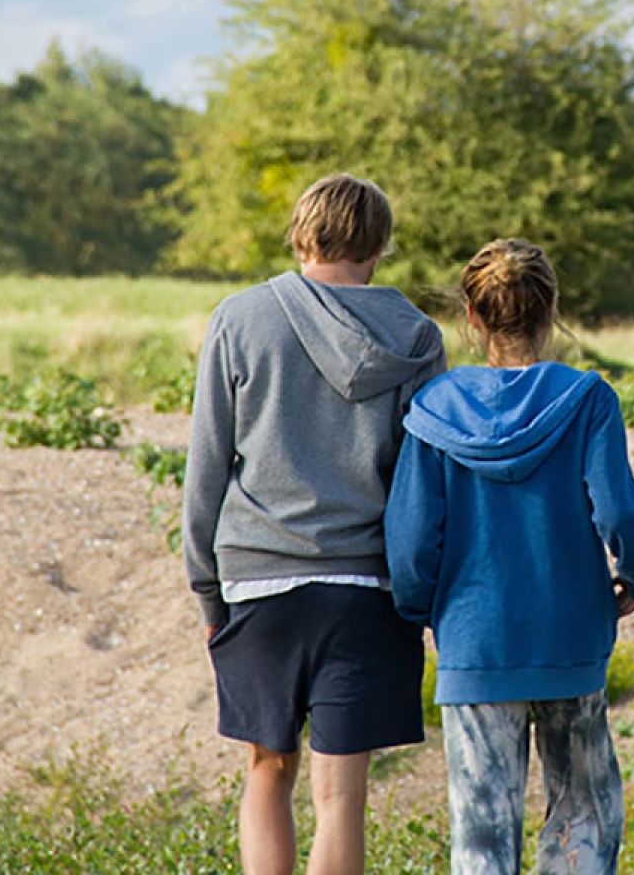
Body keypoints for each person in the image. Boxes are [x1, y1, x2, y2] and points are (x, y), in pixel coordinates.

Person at [183, 173, 446, 875]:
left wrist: (207, 593)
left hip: (258, 582)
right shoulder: (418, 337)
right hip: (366, 589)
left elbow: (207, 465)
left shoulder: (239, 319)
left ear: (301, 233)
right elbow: (421, 484)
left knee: (267, 770)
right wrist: (419, 595)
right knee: (343, 796)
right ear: (380, 244)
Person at [385, 238, 634, 875]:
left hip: (474, 640)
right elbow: (619, 512)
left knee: (482, 831)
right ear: (551, 310)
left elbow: (408, 540)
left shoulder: (434, 409)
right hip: (570, 634)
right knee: (583, 816)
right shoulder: (588, 399)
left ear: (473, 315)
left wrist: (423, 609)